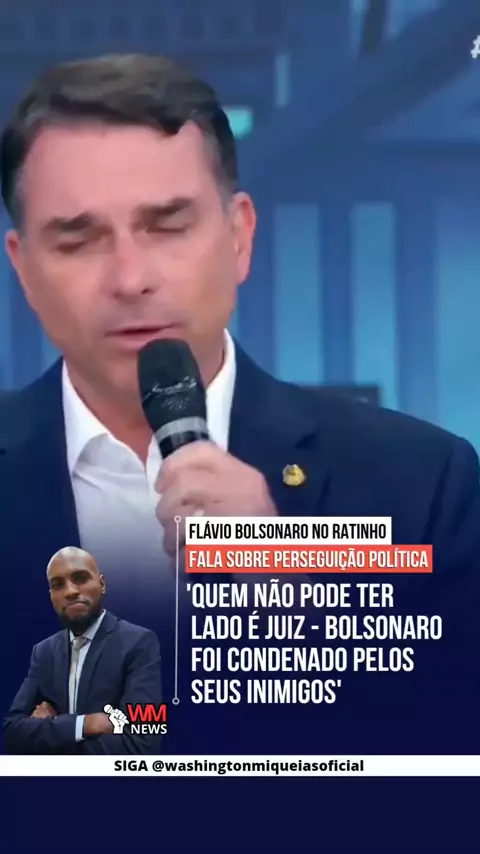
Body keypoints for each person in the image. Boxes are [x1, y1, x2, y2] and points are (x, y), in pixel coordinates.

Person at [0, 54, 479, 755]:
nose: (130, 278)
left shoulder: (421, 483)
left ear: (239, 237)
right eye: (80, 238)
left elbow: (448, 766)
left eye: (167, 226)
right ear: (24, 269)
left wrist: (288, 598)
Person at [3, 547, 163, 755]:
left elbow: (142, 743)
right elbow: (13, 733)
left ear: (102, 585)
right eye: (58, 585)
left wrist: (52, 730)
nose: (70, 591)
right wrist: (86, 724)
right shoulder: (43, 653)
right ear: (51, 596)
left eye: (80, 578)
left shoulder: (138, 643)